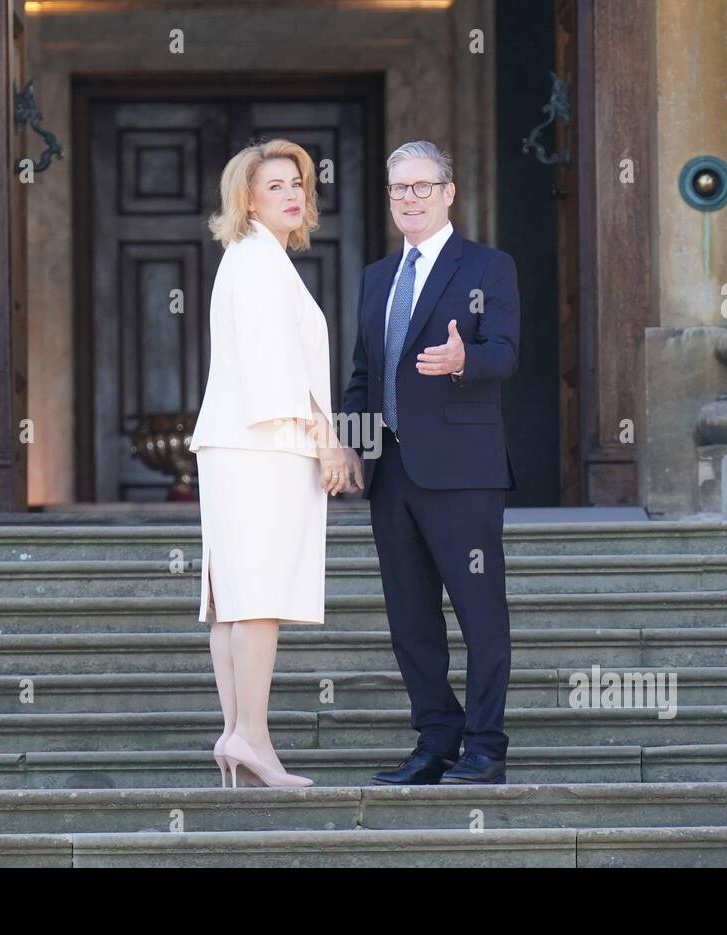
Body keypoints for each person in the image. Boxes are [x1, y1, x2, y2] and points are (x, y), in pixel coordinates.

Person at [339, 140, 520, 785]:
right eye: (398, 190)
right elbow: (362, 374)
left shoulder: (487, 268)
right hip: (391, 474)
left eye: (421, 187)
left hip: (463, 472)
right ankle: (434, 742)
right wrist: (352, 446)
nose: (409, 199)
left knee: (479, 614)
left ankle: (485, 747)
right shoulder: (376, 278)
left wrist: (463, 360)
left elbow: (505, 353)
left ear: (448, 193)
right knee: (411, 619)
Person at [189, 138, 355, 788]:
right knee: (254, 594)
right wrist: (327, 438)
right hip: (264, 442)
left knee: (234, 598)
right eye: (277, 185)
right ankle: (251, 735)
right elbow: (274, 365)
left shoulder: (253, 258)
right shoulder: (257, 259)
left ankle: (238, 732)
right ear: (247, 199)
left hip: (241, 443)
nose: (292, 195)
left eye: (298, 184)